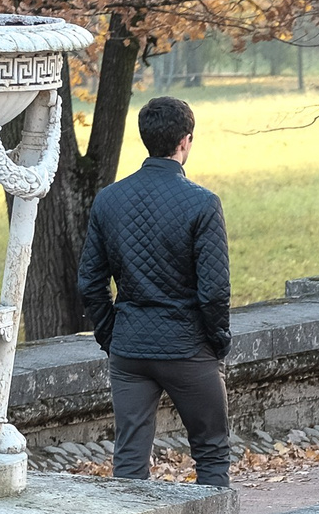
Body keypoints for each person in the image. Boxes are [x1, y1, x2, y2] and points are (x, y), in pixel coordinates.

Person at [80, 95, 234, 487]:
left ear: (145, 139)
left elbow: (91, 282)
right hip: (187, 348)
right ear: (185, 140)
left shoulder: (108, 199)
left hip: (130, 349)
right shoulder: (202, 204)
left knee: (129, 459)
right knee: (211, 450)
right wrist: (217, 341)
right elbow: (214, 291)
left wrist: (112, 336)